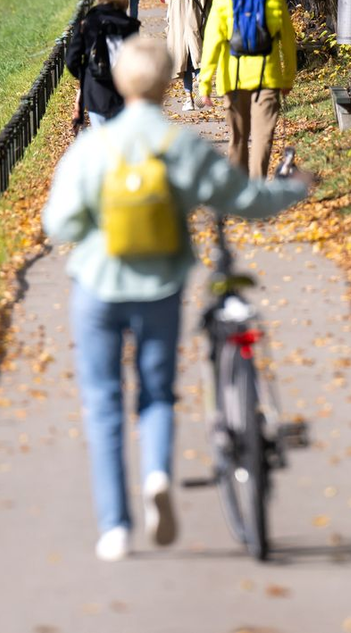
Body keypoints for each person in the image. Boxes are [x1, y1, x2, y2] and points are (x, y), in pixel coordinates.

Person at [42, 36, 312, 562]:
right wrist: (294, 189)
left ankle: (115, 528)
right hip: (160, 286)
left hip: (97, 285)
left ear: (120, 83)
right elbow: (246, 200)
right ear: (168, 85)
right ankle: (158, 476)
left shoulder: (93, 148)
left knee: (102, 402)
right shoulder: (180, 146)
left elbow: (59, 223)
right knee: (157, 392)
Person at [197, 0, 296, 178]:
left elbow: (211, 45)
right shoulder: (275, 0)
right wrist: (287, 78)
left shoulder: (223, 1)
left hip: (233, 81)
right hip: (268, 79)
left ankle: (240, 193)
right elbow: (289, 45)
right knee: (263, 139)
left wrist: (205, 85)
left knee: (238, 139)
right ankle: (257, 188)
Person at [66, 0, 141, 128]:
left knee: (102, 140)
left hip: (96, 89)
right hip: (123, 89)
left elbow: (71, 60)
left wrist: (85, 75)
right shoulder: (130, 26)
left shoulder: (87, 23)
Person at [164, 0, 217, 112]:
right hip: (200, 20)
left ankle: (188, 99)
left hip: (178, 22)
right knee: (200, 56)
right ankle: (201, 85)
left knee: (183, 61)